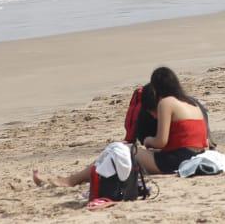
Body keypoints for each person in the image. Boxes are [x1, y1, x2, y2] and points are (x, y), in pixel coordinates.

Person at [33, 67, 209, 187]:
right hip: (194, 156)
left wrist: (148, 140)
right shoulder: (191, 104)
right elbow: (200, 140)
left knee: (119, 151)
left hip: (176, 160)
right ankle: (75, 178)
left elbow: (161, 141)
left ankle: (71, 180)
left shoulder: (166, 103)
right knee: (128, 154)